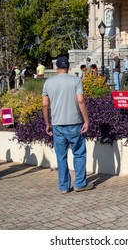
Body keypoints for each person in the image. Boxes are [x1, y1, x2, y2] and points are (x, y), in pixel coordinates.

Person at [42, 56, 94, 194]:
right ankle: (79, 183)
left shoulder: (48, 82)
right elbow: (81, 101)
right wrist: (86, 120)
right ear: (68, 67)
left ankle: (64, 186)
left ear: (56, 67)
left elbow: (45, 104)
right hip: (75, 123)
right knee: (79, 153)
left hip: (57, 124)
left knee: (61, 156)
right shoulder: (76, 81)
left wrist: (48, 123)